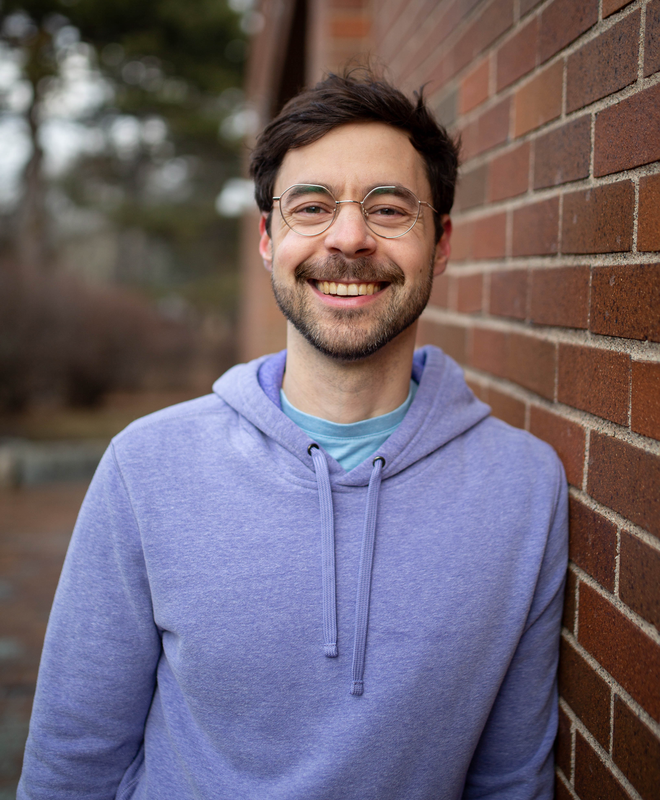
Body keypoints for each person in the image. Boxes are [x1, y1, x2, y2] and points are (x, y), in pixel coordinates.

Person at [19, 69, 568, 800]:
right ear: (268, 239)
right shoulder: (147, 467)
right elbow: (72, 762)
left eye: (389, 208)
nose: (348, 238)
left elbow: (510, 780)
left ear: (439, 244)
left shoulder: (524, 489)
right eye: (312, 207)